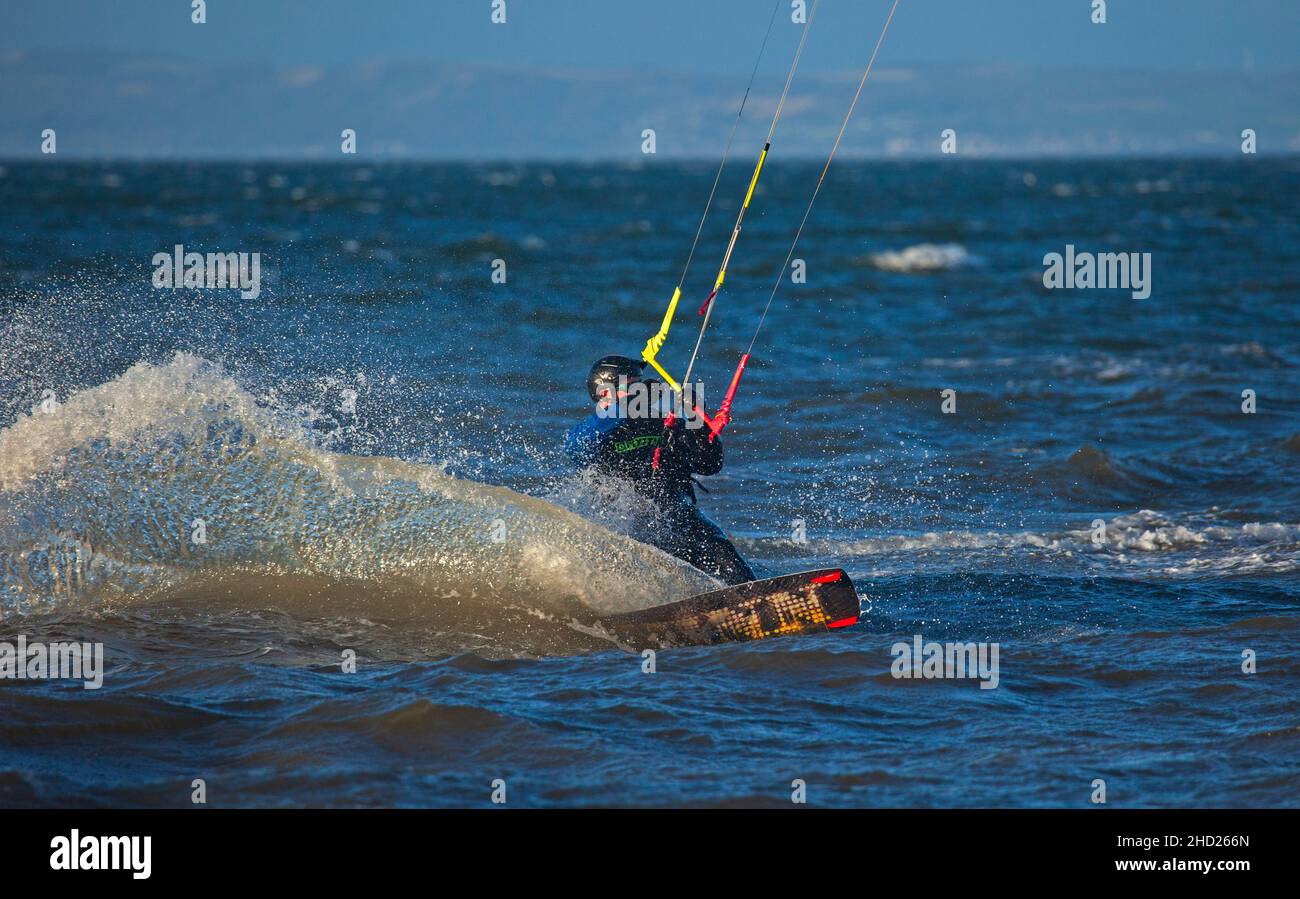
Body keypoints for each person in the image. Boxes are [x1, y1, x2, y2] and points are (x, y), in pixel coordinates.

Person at [565, 354, 755, 585]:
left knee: (720, 548)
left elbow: (709, 465)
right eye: (633, 386)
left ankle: (751, 592)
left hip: (679, 517)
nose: (643, 392)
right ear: (604, 392)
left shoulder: (665, 423)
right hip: (626, 524)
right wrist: (626, 405)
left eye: (642, 385)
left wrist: (697, 420)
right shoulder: (593, 430)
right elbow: (578, 447)